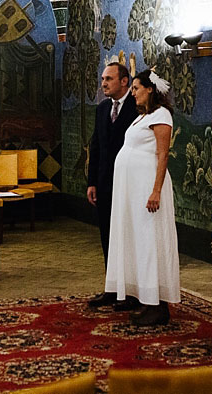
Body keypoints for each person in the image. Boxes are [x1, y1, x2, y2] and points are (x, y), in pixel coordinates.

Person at [104, 69, 179, 326]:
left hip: (149, 188)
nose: (133, 93)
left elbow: (162, 155)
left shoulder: (162, 115)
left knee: (151, 242)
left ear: (150, 89)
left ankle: (158, 306)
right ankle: (146, 299)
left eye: (136, 88)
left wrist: (156, 190)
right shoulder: (142, 117)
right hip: (133, 191)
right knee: (140, 241)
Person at [85, 62, 138, 309]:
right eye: (102, 79)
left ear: (124, 81)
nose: (103, 83)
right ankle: (112, 287)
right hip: (105, 185)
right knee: (108, 237)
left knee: (129, 237)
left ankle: (132, 292)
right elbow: (96, 147)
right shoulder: (103, 108)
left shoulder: (138, 108)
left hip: (130, 185)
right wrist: (92, 182)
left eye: (108, 79)